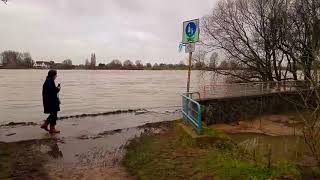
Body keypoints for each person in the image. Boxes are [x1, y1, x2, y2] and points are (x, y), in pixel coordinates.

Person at [41, 69, 61, 133]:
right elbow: (52, 91)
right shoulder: (49, 81)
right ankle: (51, 128)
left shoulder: (49, 80)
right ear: (53, 75)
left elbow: (51, 90)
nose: (56, 76)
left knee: (53, 114)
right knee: (54, 114)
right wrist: (58, 89)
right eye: (56, 75)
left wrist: (56, 89)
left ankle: (47, 125)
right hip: (50, 101)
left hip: (49, 100)